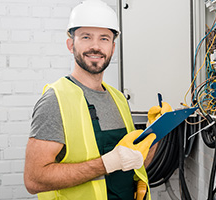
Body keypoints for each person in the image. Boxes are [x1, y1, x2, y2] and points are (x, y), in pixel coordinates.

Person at [23, 0, 162, 199]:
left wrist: (154, 133)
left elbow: (133, 166)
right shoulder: (55, 100)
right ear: (71, 44)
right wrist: (106, 164)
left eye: (104, 38)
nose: (95, 46)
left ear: (113, 48)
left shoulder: (119, 99)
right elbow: (34, 180)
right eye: (86, 37)